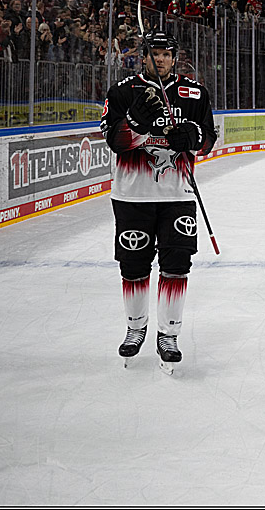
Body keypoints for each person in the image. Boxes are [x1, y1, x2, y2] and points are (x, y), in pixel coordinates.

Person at [100, 30, 217, 374]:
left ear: (175, 56)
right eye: (155, 54)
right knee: (133, 267)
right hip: (131, 195)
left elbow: (208, 138)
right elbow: (115, 141)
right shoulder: (122, 92)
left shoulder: (194, 93)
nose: (161, 59)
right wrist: (134, 124)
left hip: (177, 195)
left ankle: (169, 334)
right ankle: (135, 328)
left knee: (177, 264)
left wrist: (194, 136)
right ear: (142, 56)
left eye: (167, 54)